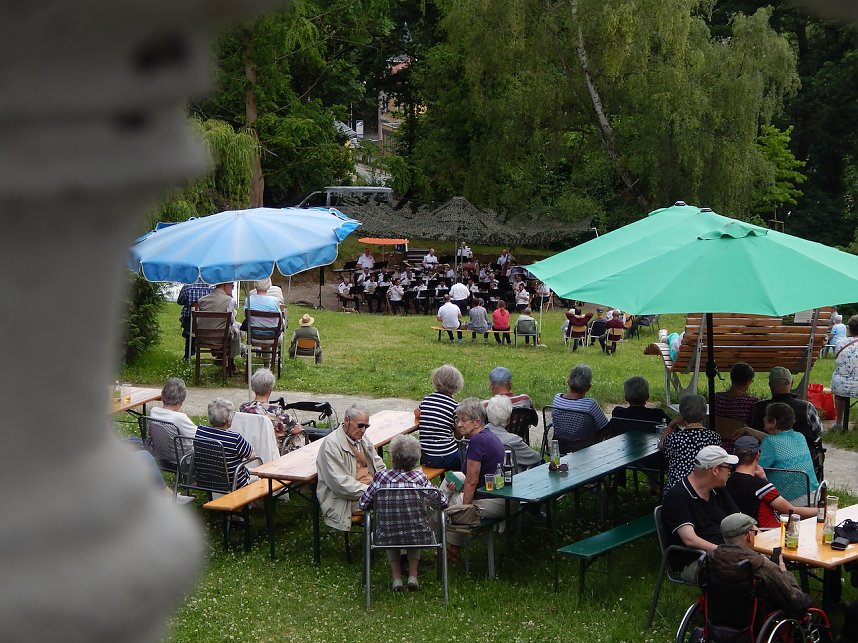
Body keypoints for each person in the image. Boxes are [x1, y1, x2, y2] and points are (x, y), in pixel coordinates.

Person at [359, 434, 445, 592]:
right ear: (416, 459)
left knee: (391, 528)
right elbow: (441, 502)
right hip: (418, 534)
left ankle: (397, 579)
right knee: (414, 529)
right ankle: (413, 576)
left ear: (393, 458)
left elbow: (363, 503)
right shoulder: (420, 478)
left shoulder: (381, 477)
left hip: (385, 535)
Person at [442, 398, 507, 562]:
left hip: (493, 502)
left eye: (464, 420)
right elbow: (468, 478)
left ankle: (429, 535)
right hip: (503, 498)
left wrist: (465, 509)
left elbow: (471, 481)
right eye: (457, 420)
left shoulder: (477, 441)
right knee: (452, 481)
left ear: (477, 422)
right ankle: (452, 549)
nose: (459, 424)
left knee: (448, 504)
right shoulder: (488, 435)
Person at [661, 445, 740, 581]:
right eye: (728, 467)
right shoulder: (678, 496)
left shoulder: (718, 489)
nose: (730, 472)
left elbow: (739, 519)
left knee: (765, 562)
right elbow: (690, 539)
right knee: (750, 571)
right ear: (715, 470)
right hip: (695, 560)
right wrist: (724, 552)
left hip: (726, 552)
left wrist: (758, 537)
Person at [709, 513, 809, 616]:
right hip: (757, 618)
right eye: (755, 532)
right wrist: (784, 572)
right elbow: (796, 600)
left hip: (720, 617)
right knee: (806, 599)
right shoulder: (761, 566)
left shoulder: (711, 560)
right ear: (749, 536)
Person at [316, 404, 386, 532]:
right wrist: (375, 491)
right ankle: (388, 539)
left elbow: (379, 465)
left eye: (366, 426)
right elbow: (341, 485)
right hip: (344, 500)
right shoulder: (331, 444)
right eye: (360, 425)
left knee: (399, 497)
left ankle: (389, 538)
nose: (363, 430)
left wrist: (387, 483)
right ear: (346, 420)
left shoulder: (361, 437)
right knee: (391, 502)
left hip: (367, 490)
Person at [726, 436, 816, 528]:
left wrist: (763, 478)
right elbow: (790, 511)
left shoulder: (728, 480)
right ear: (757, 455)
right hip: (769, 531)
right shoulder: (760, 486)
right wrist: (821, 511)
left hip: (747, 530)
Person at [758, 402, 819, 505]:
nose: (763, 419)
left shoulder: (770, 442)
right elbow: (778, 440)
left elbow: (756, 468)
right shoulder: (799, 436)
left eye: (766, 416)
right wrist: (748, 430)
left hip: (789, 501)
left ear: (773, 422)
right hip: (813, 495)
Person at [751, 367, 822, 454]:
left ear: (770, 385)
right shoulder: (806, 406)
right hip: (804, 454)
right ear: (791, 384)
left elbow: (754, 436)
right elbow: (818, 430)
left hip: (767, 455)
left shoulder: (758, 407)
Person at [660, 394, 722, 493]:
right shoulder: (714, 437)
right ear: (704, 413)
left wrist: (671, 425)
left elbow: (662, 445)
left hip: (677, 489)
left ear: (681, 413)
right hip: (705, 488)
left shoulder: (674, 438)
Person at [238, 368, 306, 454]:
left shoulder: (244, 408)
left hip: (251, 448)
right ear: (270, 389)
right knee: (299, 436)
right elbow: (297, 428)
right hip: (272, 451)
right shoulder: (275, 411)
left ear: (253, 388)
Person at [195, 398, 256, 489]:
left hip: (207, 481)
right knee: (259, 477)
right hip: (233, 483)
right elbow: (252, 456)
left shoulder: (200, 431)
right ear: (228, 421)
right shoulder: (234, 438)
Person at [551, 364, 609, 453]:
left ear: (568, 382)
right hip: (584, 450)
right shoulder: (590, 405)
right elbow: (605, 427)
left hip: (560, 448)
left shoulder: (557, 398)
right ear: (589, 387)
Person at [417, 364, 464, 471]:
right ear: (457, 384)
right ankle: (458, 479)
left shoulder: (427, 399)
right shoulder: (455, 406)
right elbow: (459, 435)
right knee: (465, 453)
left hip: (425, 456)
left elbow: (417, 413)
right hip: (447, 457)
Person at [197, 281, 242, 375]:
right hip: (221, 338)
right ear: (223, 285)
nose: (233, 289)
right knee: (236, 331)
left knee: (233, 329)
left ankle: (221, 358)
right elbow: (232, 320)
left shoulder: (202, 300)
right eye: (232, 286)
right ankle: (230, 364)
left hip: (203, 337)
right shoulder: (229, 300)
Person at [484, 395, 541, 471]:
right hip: (507, 477)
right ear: (509, 418)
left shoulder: (478, 435)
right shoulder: (514, 441)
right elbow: (536, 458)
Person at [243, 278, 284, 367]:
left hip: (253, 337)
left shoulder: (248, 300)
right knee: (270, 331)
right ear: (269, 286)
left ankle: (265, 365)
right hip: (272, 338)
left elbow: (246, 318)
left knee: (264, 331)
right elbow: (280, 320)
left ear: (255, 284)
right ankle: (267, 366)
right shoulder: (275, 301)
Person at [831, 314, 858, 429]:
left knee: (839, 396)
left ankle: (838, 422)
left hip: (840, 386)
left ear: (849, 328)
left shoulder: (840, 343)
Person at [177, 277, 213, 359]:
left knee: (188, 320)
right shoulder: (213, 288)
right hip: (209, 324)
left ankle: (189, 352)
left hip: (192, 324)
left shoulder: (188, 286)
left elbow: (180, 302)